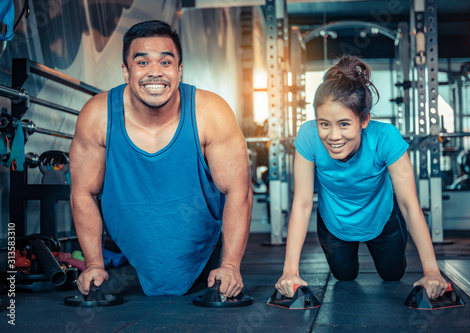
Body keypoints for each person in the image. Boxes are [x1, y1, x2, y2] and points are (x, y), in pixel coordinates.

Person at [70, 20, 252, 297]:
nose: (155, 73)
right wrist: (94, 263)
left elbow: (238, 189)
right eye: (142, 63)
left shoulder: (211, 112)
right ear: (125, 70)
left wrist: (230, 265)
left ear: (179, 71)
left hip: (203, 251)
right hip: (129, 255)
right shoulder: (97, 115)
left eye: (166, 63)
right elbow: (83, 191)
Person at [275, 55, 447, 300]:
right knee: (344, 276)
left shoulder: (386, 137)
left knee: (392, 275)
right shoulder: (308, 136)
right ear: (316, 121)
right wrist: (289, 272)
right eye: (324, 123)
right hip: (334, 223)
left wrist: (432, 271)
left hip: (382, 220)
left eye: (344, 124)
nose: (333, 136)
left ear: (364, 120)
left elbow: (409, 205)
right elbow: (302, 203)